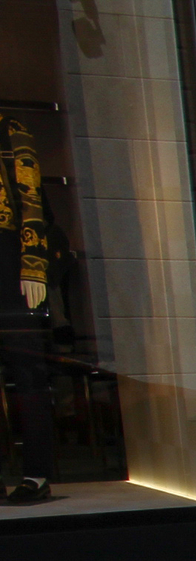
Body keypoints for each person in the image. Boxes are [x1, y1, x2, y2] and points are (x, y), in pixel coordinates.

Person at [2, 111, 57, 506]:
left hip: (9, 263)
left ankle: (37, 474)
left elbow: (31, 198)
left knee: (27, 374)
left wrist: (34, 263)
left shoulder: (11, 130)